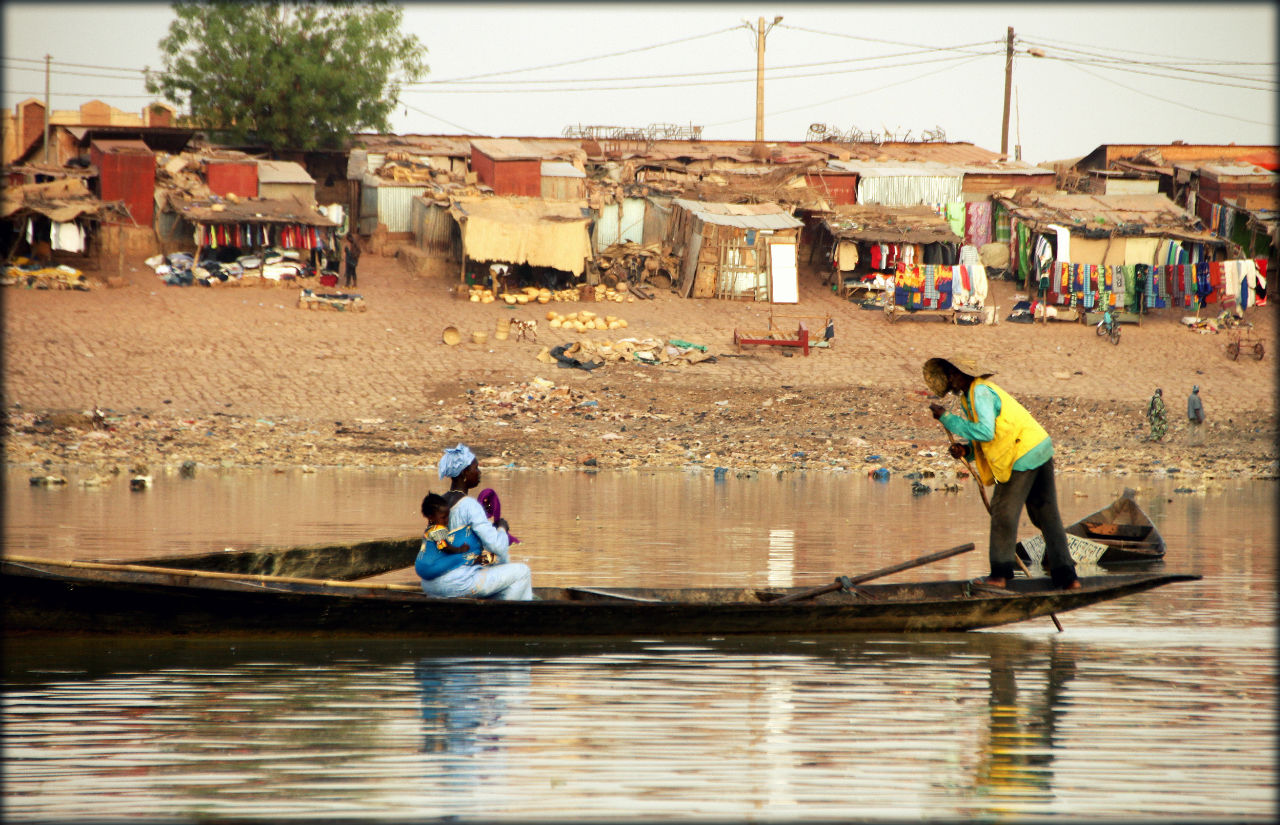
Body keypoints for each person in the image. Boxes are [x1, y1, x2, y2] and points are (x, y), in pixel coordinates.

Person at [924, 356, 1080, 591]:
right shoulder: (973, 396)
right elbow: (994, 436)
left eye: (953, 374)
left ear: (964, 375)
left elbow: (986, 433)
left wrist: (948, 419)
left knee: (1002, 511)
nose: (950, 379)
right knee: (1046, 515)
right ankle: (1067, 577)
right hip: (1038, 447)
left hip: (1020, 454)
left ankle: (999, 575)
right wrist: (966, 451)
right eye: (949, 375)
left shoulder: (980, 392)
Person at [415, 444, 533, 600]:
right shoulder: (470, 505)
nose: (479, 472)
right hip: (456, 583)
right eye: (475, 468)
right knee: (522, 572)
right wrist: (502, 529)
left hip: (430, 584)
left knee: (491, 565)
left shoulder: (438, 503)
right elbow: (497, 546)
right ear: (464, 473)